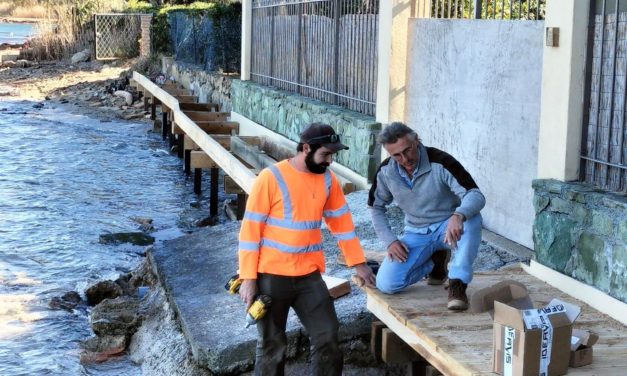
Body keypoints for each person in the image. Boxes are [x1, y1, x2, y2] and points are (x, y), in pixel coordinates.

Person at [238, 122, 376, 376]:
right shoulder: (271, 178)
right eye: (325, 154)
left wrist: (358, 263)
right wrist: (248, 279)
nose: (330, 160)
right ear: (305, 149)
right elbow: (250, 232)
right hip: (270, 277)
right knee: (271, 346)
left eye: (332, 155)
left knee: (328, 334)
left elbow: (342, 225)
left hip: (309, 277)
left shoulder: (327, 180)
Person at [368, 122, 485, 311]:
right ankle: (434, 263)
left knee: (473, 219)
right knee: (387, 285)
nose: (405, 159)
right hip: (416, 231)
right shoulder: (386, 171)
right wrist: (390, 241)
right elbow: (375, 207)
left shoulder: (441, 161)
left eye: (407, 150)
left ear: (416, 140)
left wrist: (459, 215)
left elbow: (475, 194)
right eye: (396, 155)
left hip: (448, 228)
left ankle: (457, 283)